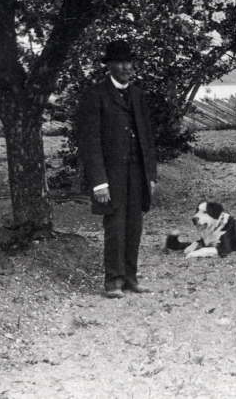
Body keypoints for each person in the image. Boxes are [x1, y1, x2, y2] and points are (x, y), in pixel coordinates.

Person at [74, 40, 159, 298]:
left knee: (135, 225)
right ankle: (113, 282)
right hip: (111, 176)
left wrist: (151, 174)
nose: (127, 68)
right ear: (109, 65)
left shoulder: (138, 94)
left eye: (130, 62)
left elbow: (146, 136)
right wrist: (99, 182)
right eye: (121, 62)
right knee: (115, 225)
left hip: (137, 173)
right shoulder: (95, 95)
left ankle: (131, 278)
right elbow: (90, 142)